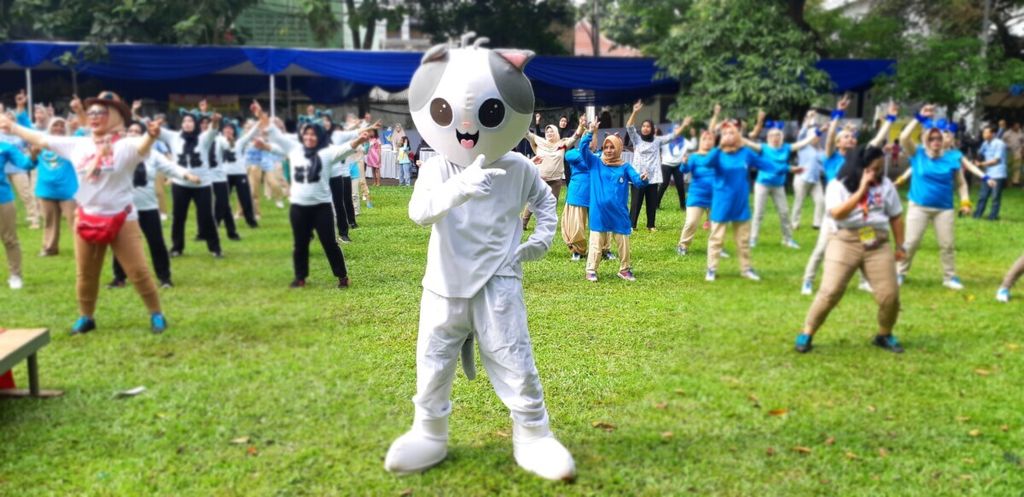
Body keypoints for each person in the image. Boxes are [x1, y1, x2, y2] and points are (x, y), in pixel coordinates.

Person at [0, 91, 170, 334]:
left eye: (101, 112)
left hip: (122, 218)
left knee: (138, 271)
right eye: (90, 113)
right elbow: (40, 138)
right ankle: (86, 317)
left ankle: (156, 314)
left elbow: (142, 145)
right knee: (85, 274)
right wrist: (13, 127)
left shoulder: (126, 145)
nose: (94, 117)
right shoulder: (77, 144)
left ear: (116, 117)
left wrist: (151, 137)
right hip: (88, 217)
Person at [794, 145, 906, 354]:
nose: (878, 173)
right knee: (831, 290)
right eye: (874, 168)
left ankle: (884, 334)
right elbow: (837, 213)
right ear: (859, 168)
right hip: (845, 241)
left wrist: (901, 246)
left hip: (876, 243)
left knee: (890, 295)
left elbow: (896, 216)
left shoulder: (885, 185)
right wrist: (862, 189)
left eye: (880, 168)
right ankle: (807, 332)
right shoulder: (837, 186)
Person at [258, 101, 363, 288]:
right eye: (306, 134)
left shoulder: (326, 153)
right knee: (300, 244)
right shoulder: (295, 149)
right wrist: (261, 116)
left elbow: (346, 148)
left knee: (329, 243)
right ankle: (300, 278)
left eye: (313, 134)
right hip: (299, 207)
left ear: (319, 136)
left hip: (321, 207)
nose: (309, 137)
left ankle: (342, 276)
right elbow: (275, 136)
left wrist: (360, 139)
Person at [800, 96, 895, 295]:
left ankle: (864, 281)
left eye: (852, 137)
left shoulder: (861, 159)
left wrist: (889, 121)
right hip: (837, 211)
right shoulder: (831, 156)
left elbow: (876, 141)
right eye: (845, 137)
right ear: (837, 142)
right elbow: (832, 133)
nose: (850, 139)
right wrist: (838, 113)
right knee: (822, 248)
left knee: (867, 244)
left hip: (861, 208)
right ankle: (808, 281)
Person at [893, 106, 995, 290]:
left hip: (944, 208)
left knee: (947, 245)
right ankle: (899, 273)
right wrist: (918, 117)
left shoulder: (951, 158)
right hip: (919, 206)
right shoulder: (917, 154)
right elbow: (903, 138)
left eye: (938, 138)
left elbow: (962, 184)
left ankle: (949, 277)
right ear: (925, 140)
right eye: (931, 138)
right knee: (911, 243)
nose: (935, 141)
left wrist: (965, 202)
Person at [110, 121, 203, 288]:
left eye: (137, 131)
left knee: (156, 242)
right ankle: (119, 277)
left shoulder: (153, 155)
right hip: (124, 207)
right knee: (122, 243)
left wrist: (187, 175)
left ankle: (164, 278)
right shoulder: (116, 153)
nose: (133, 133)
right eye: (130, 130)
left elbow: (171, 167)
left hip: (148, 207)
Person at [701, 118, 792, 282]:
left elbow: (767, 165)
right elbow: (707, 163)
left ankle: (746, 269)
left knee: (743, 240)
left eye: (732, 133)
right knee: (716, 238)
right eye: (726, 133)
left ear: (738, 136)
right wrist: (719, 146)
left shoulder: (745, 153)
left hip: (741, 204)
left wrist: (788, 168)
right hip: (722, 203)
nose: (729, 135)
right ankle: (711, 269)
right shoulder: (718, 154)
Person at [578, 120, 648, 281]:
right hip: (599, 212)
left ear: (618, 149)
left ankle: (624, 269)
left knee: (623, 242)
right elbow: (582, 149)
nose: (609, 150)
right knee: (596, 242)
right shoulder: (595, 162)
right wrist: (590, 132)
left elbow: (637, 181)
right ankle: (591, 270)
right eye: (606, 147)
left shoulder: (625, 166)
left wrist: (643, 179)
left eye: (612, 147)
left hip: (619, 212)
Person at [742, 112, 818, 249]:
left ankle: (788, 239)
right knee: (758, 213)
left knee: (784, 213)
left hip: (778, 185)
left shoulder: (786, 148)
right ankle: (753, 239)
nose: (775, 138)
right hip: (762, 184)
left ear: (781, 136)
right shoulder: (763, 148)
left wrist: (815, 131)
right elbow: (748, 143)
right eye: (772, 135)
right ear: (768, 137)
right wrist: (737, 135)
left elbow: (802, 143)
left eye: (777, 135)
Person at [159, 102, 223, 257]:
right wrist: (150, 121)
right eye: (185, 121)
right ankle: (176, 247)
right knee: (179, 216)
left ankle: (215, 248)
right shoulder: (174, 137)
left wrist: (215, 121)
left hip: (203, 184)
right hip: (180, 184)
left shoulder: (203, 138)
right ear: (181, 123)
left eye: (191, 121)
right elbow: (154, 130)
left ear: (195, 124)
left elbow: (213, 129)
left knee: (206, 217)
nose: (187, 124)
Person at [625, 99, 690, 231]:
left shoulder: (657, 141)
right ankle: (632, 225)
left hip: (653, 177)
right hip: (638, 176)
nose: (645, 128)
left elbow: (672, 136)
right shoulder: (636, 139)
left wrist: (684, 125)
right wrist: (634, 112)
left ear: (652, 129)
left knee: (651, 202)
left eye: (648, 126)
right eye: (643, 126)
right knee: (636, 202)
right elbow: (629, 127)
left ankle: (651, 225)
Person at [522, 117, 585, 229]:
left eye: (552, 131)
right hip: (540, 179)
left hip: (556, 180)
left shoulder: (562, 144)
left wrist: (581, 125)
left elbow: (576, 136)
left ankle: (548, 225)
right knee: (533, 202)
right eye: (547, 131)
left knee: (552, 204)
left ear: (556, 133)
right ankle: (523, 223)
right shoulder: (539, 141)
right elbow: (526, 133)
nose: (549, 133)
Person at [30, 117, 78, 257]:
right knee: (49, 221)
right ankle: (49, 248)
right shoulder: (41, 143)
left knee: (74, 221)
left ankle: (82, 248)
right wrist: (33, 154)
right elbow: (31, 163)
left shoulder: (72, 144)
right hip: (46, 189)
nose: (58, 128)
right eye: (55, 125)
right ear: (49, 127)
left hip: (68, 190)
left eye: (61, 125)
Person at [676, 129, 718, 256]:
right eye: (704, 139)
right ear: (701, 141)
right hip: (697, 195)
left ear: (714, 141)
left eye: (710, 139)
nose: (707, 142)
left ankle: (716, 247)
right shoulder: (694, 157)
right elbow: (684, 170)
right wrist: (684, 162)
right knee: (691, 222)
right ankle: (682, 246)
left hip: (715, 196)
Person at [0, 131, 32, 289]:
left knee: (9, 239)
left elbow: (25, 164)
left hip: (2, 198)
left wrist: (34, 155)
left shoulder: (6, 147)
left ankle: (15, 275)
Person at [790, 111, 826, 231]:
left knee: (821, 201)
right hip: (802, 178)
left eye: (818, 137)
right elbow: (801, 134)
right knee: (799, 202)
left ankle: (817, 223)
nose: (817, 138)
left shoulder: (820, 150)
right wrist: (808, 119)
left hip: (815, 179)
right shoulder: (803, 146)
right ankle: (794, 223)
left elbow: (822, 165)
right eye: (815, 136)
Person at [973, 124, 1008, 220]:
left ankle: (993, 217)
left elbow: (996, 160)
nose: (983, 134)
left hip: (998, 174)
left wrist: (981, 164)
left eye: (986, 132)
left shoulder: (999, 144)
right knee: (982, 196)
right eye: (983, 132)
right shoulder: (985, 143)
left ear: (992, 133)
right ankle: (977, 215)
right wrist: (977, 159)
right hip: (988, 174)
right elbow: (980, 153)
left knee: (995, 197)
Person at [656, 122, 690, 212]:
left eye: (679, 129)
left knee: (680, 185)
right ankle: (656, 204)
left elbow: (693, 146)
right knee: (664, 184)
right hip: (666, 164)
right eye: (676, 129)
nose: (678, 131)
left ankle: (683, 206)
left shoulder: (685, 141)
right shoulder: (666, 140)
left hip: (678, 165)